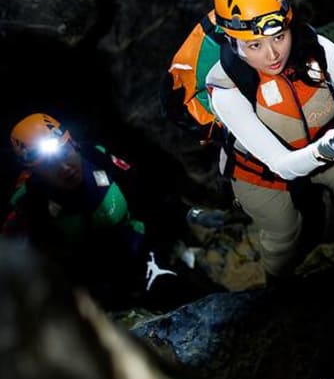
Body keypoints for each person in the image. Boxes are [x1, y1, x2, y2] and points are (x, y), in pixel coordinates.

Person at [192, 0, 334, 284]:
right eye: (254, 45)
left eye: (280, 37)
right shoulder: (227, 88)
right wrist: (328, 147)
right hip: (260, 174)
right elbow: (281, 165)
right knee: (284, 234)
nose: (272, 55)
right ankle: (278, 290)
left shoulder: (316, 49)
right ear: (231, 40)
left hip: (325, 144)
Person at [2, 112, 200, 310]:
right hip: (93, 289)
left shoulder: (95, 155)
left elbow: (147, 192)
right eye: (47, 165)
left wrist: (183, 224)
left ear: (72, 144)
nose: (64, 168)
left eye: (64, 153)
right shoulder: (29, 202)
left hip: (144, 255)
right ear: (33, 171)